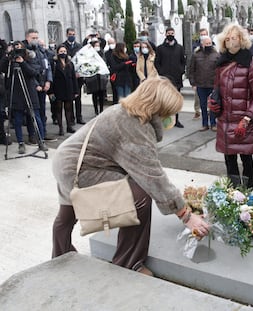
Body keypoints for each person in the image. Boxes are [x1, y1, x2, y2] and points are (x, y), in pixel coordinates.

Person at [51, 77, 210, 275]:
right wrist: (185, 215)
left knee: (67, 213)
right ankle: (129, 263)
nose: (172, 117)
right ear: (157, 108)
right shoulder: (134, 126)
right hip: (81, 168)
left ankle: (60, 256)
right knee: (140, 197)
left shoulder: (124, 111)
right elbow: (152, 177)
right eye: (169, 112)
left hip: (66, 160)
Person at [209, 23, 253, 189]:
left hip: (244, 121)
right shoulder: (222, 63)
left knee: (246, 158)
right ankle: (234, 194)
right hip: (225, 120)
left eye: (233, 38)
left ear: (242, 40)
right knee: (229, 159)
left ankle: (247, 194)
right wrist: (213, 103)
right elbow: (217, 89)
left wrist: (248, 117)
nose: (230, 41)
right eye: (227, 38)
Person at [0, 41, 47, 154]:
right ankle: (21, 143)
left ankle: (41, 141)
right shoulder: (10, 60)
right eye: (16, 48)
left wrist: (23, 63)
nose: (18, 50)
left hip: (30, 92)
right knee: (18, 120)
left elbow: (34, 72)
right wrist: (7, 55)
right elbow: (2, 68)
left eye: (20, 48)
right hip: (16, 92)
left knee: (36, 117)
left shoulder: (30, 57)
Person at [23, 28, 54, 141]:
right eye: (33, 38)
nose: (35, 40)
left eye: (37, 37)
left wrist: (48, 81)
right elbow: (27, 70)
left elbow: (48, 67)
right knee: (32, 112)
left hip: (43, 84)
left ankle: (43, 133)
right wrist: (36, 84)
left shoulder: (42, 51)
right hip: (32, 86)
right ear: (27, 38)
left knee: (42, 111)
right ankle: (32, 135)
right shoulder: (25, 51)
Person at [155, 27, 186, 128]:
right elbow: (157, 62)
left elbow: (183, 61)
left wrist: (181, 70)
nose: (170, 35)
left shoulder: (180, 48)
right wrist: (161, 72)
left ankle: (176, 120)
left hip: (176, 78)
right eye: (169, 33)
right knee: (164, 100)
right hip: (165, 78)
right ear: (165, 34)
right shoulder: (160, 48)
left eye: (172, 33)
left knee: (175, 100)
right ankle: (165, 120)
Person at [188, 36, 220, 132]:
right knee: (203, 105)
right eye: (206, 44)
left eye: (210, 43)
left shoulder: (216, 55)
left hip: (213, 85)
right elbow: (191, 70)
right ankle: (204, 124)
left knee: (213, 105)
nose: (208, 45)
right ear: (202, 44)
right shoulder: (196, 55)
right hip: (201, 84)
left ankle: (213, 123)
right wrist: (193, 83)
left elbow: (220, 71)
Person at [49, 44, 78, 135]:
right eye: (61, 52)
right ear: (57, 52)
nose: (63, 53)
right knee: (59, 108)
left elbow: (73, 77)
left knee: (68, 108)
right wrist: (51, 91)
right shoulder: (53, 63)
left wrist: (76, 91)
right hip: (58, 88)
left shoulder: (70, 63)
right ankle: (61, 127)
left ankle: (69, 126)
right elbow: (51, 77)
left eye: (64, 51)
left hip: (68, 88)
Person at [62, 27, 85, 125]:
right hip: (68, 77)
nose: (72, 36)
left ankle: (79, 117)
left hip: (78, 76)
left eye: (73, 34)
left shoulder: (79, 46)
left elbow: (83, 60)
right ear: (67, 35)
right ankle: (71, 118)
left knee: (78, 98)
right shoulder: (63, 46)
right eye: (70, 34)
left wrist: (80, 72)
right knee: (69, 98)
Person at [87, 39, 108, 115]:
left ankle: (101, 109)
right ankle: (96, 110)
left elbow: (104, 42)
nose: (97, 47)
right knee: (95, 94)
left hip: (101, 76)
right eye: (95, 45)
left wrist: (98, 37)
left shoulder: (102, 53)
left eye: (98, 45)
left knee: (101, 94)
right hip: (93, 77)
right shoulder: (90, 54)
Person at [104, 37, 118, 105]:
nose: (111, 44)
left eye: (112, 43)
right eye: (109, 43)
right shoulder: (107, 53)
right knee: (114, 89)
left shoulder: (118, 51)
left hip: (119, 73)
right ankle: (115, 102)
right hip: (112, 73)